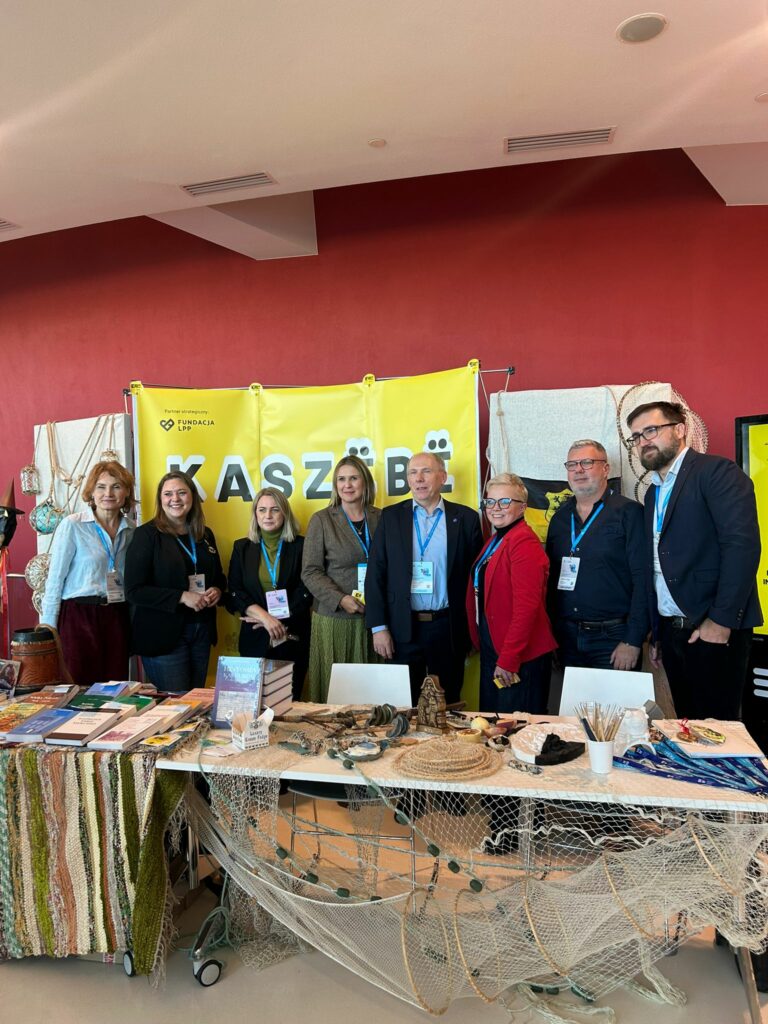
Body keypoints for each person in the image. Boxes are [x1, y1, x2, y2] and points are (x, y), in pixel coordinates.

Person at [626, 401, 762, 719]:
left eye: (651, 430)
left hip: (712, 627)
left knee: (718, 732)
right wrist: (658, 632)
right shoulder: (653, 492)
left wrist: (721, 621)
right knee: (686, 726)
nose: (643, 441)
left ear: (679, 430)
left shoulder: (716, 472)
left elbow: (741, 547)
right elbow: (657, 566)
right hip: (673, 632)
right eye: (636, 436)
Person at [365, 451, 483, 704]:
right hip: (401, 628)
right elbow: (376, 573)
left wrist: (473, 631)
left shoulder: (466, 519)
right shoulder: (391, 517)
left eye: (426, 471)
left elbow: (476, 581)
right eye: (412, 473)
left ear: (443, 477)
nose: (418, 479)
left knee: (448, 702)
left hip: (447, 628)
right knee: (403, 704)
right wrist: (378, 627)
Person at [545, 439, 648, 671]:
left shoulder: (630, 513)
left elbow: (643, 580)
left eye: (587, 462)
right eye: (572, 465)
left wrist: (633, 639)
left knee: (615, 698)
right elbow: (550, 581)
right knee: (573, 698)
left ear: (606, 469)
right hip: (566, 637)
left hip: (614, 638)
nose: (578, 470)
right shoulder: (560, 519)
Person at [124, 471, 225, 691]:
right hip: (164, 635)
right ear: (160, 499)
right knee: (175, 702)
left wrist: (217, 590)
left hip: (201, 630)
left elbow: (218, 577)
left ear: (192, 497)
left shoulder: (205, 534)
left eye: (181, 492)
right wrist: (181, 596)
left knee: (196, 701)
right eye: (168, 494)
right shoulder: (146, 535)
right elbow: (134, 590)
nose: (175, 499)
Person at [466, 473, 556, 713]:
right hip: (495, 648)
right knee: (493, 723)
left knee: (515, 727)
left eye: (505, 502)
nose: (496, 508)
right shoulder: (498, 539)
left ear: (523, 507)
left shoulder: (523, 542)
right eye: (490, 501)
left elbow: (527, 609)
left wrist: (508, 659)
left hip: (518, 657)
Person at [40, 460, 136, 684]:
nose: (108, 493)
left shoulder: (132, 531)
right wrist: (48, 629)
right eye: (101, 487)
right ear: (91, 492)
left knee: (116, 687)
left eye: (116, 486)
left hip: (117, 615)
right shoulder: (73, 526)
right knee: (78, 686)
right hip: (78, 616)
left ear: (126, 493)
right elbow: (55, 580)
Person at [301, 455, 382, 702]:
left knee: (372, 690)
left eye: (353, 478)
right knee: (336, 693)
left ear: (365, 482)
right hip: (335, 619)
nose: (347, 485)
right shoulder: (322, 520)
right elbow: (310, 571)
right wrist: (340, 599)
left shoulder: (381, 517)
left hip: (374, 619)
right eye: (341, 479)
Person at [226, 487, 312, 700]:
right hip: (254, 637)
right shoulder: (242, 548)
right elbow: (235, 591)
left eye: (275, 510)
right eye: (262, 510)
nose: (268, 515)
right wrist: (265, 618)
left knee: (288, 704)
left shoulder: (302, 546)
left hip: (291, 635)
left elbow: (306, 589)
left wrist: (276, 619)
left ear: (285, 513)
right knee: (252, 703)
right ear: (255, 514)